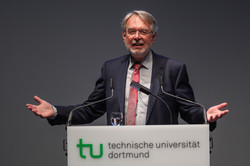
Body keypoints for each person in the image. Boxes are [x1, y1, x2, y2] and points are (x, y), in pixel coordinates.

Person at [26, 10, 228, 129]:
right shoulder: (111, 69)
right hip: (120, 152)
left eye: (143, 32)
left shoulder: (173, 69)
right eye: (131, 31)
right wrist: (54, 112)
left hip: (162, 152)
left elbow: (188, 110)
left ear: (153, 37)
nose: (137, 36)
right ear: (124, 36)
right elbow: (90, 109)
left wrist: (204, 116)